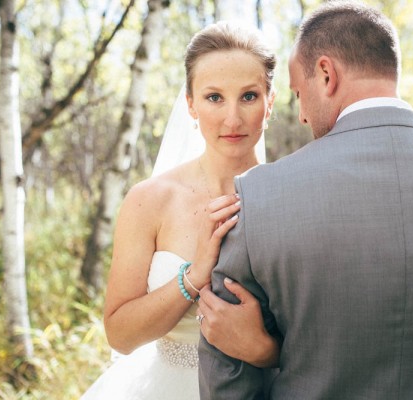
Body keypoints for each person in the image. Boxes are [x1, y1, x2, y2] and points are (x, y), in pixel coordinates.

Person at [197, 1, 413, 399]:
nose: (303, 116)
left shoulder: (258, 196)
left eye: (298, 93)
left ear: (326, 74)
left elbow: (228, 374)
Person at [81, 21, 279, 399]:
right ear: (190, 103)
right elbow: (120, 336)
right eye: (214, 97)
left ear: (270, 103)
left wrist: (265, 351)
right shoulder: (149, 200)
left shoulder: (294, 199)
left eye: (249, 97)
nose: (232, 119)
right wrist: (193, 277)